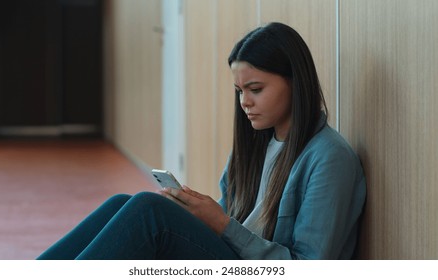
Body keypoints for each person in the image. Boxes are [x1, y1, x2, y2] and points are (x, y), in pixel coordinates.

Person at [37, 22, 366, 260]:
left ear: (296, 82)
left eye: (256, 89)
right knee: (123, 203)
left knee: (148, 210)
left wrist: (221, 223)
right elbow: (234, 223)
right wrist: (197, 213)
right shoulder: (257, 146)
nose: (244, 103)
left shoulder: (329, 157)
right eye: (240, 92)